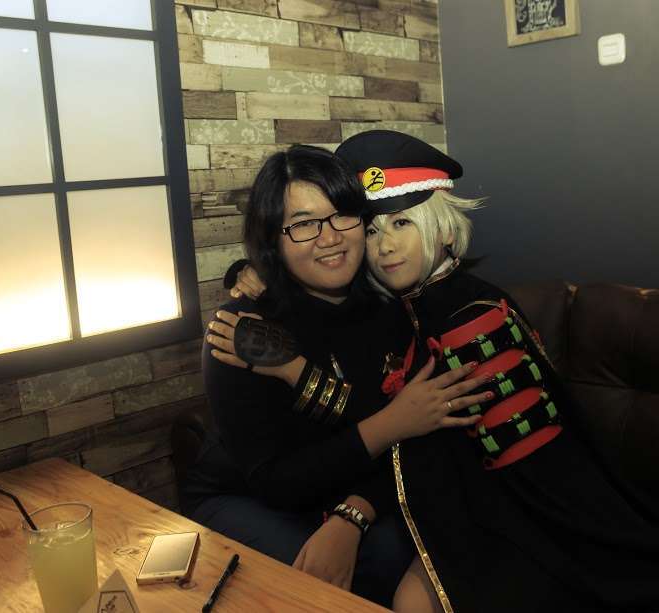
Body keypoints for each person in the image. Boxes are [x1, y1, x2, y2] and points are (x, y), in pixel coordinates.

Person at [225, 131, 659, 612]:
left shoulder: (466, 314)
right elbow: (394, 422)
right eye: (374, 227)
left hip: (524, 515)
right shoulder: (401, 307)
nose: (382, 246)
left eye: (403, 224)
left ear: (443, 231)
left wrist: (302, 380)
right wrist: (256, 279)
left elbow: (512, 459)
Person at [180, 143, 490, 608]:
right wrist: (391, 425)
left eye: (342, 215)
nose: (329, 238)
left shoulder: (390, 306)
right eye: (304, 224)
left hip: (347, 489)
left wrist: (355, 513)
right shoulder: (245, 329)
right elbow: (275, 479)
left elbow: (415, 445)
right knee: (318, 579)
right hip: (249, 494)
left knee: (398, 549)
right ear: (273, 239)